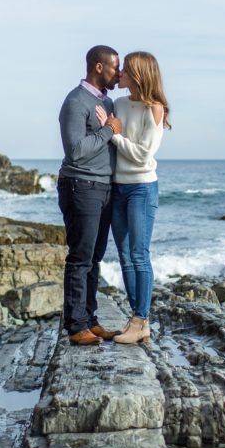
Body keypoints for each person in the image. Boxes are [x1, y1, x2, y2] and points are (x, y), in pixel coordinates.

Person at [95, 51, 170, 344]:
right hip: (117, 188)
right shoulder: (119, 103)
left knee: (140, 254)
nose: (120, 73)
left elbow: (142, 155)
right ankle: (135, 320)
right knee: (125, 256)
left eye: (125, 69)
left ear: (139, 74)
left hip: (141, 187)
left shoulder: (155, 109)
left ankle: (142, 320)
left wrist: (112, 133)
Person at [57, 45, 126, 346]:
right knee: (80, 257)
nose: (118, 72)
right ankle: (75, 327)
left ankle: (90, 319)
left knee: (94, 258)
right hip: (80, 186)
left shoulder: (108, 101)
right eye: (115, 66)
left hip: (104, 187)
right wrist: (108, 130)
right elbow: (75, 151)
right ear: (99, 67)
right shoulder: (75, 102)